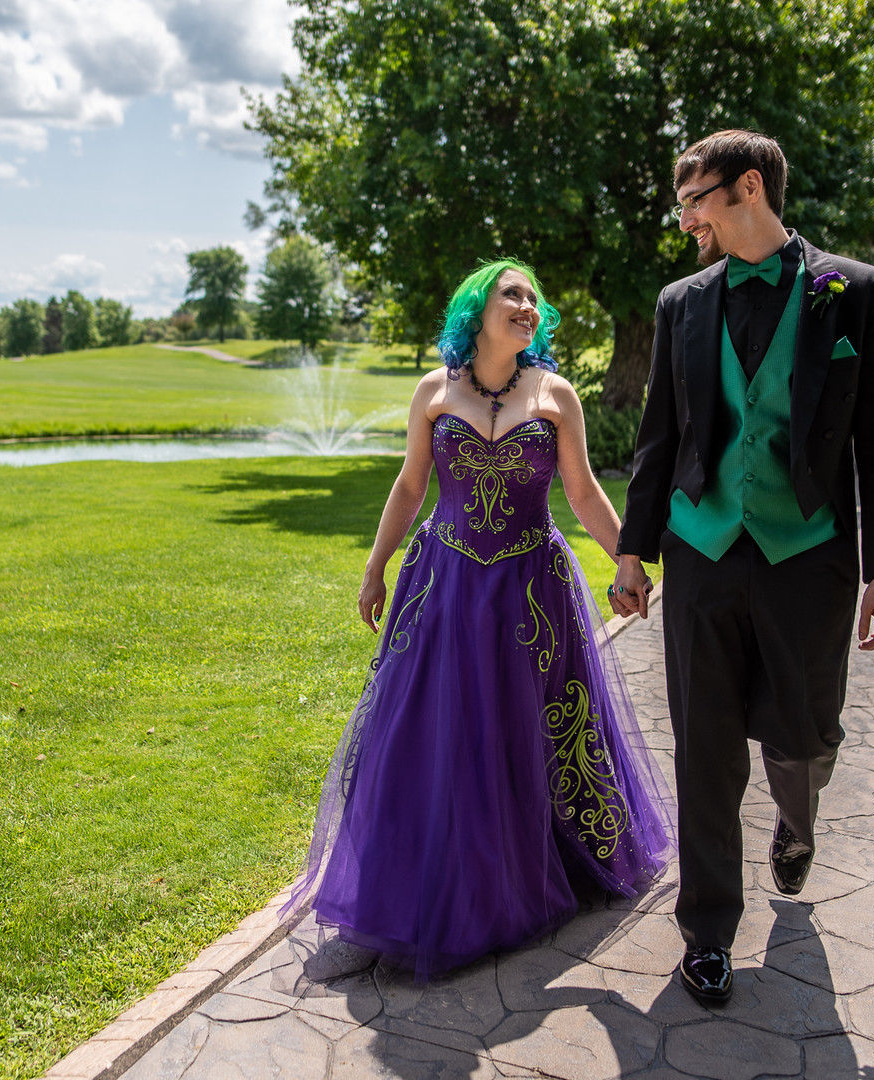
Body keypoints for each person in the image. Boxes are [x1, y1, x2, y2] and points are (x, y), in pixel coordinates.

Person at [286, 259, 674, 981]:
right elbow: (409, 486)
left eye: (533, 297)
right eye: (512, 295)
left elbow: (583, 492)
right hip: (444, 582)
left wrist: (626, 558)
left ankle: (520, 879)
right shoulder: (433, 391)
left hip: (532, 588)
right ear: (477, 309)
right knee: (424, 732)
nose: (528, 306)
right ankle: (390, 896)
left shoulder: (554, 393)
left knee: (527, 730)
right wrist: (375, 567)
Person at [608, 130, 874, 1004]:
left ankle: (797, 809)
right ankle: (706, 932)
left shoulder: (858, 294)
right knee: (704, 747)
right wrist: (634, 551)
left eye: (692, 197)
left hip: (806, 555)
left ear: (746, 187)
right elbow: (659, 437)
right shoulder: (681, 303)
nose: (684, 216)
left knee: (806, 731)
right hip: (702, 550)